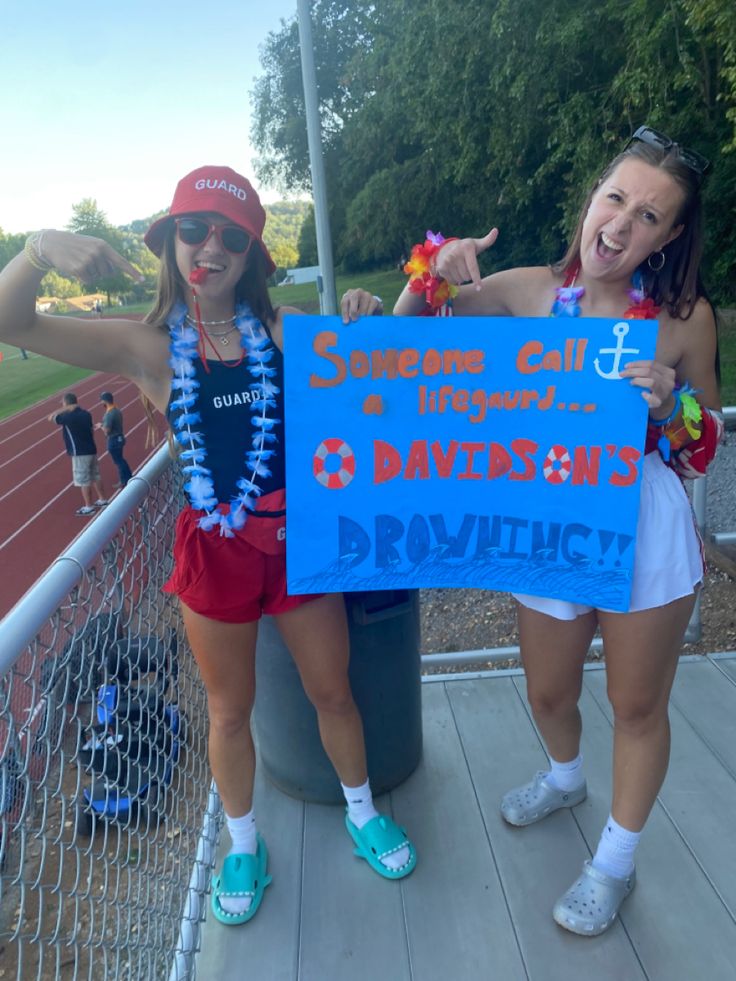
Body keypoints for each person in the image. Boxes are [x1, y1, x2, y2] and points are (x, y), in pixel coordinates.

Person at [0, 165, 415, 927]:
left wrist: (364, 310)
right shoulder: (148, 347)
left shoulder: (289, 330)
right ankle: (244, 843)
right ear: (172, 243)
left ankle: (361, 812)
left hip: (298, 538)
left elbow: (384, 358)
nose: (210, 248)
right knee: (230, 711)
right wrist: (35, 251)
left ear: (253, 251)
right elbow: (10, 321)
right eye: (194, 230)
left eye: (230, 235)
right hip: (213, 549)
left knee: (333, 690)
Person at [346, 125, 722, 936]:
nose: (622, 224)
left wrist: (675, 404)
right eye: (616, 197)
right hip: (550, 516)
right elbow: (399, 347)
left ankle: (614, 861)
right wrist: (433, 272)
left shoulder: (687, 319)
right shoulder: (528, 292)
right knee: (548, 690)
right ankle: (564, 775)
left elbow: (704, 445)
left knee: (636, 705)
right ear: (592, 198)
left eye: (651, 216)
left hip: (645, 524)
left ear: (672, 235)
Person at [49, 391, 109, 516]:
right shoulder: (86, 414)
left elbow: (51, 417)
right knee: (95, 476)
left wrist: (64, 409)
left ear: (67, 403)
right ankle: (103, 499)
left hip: (79, 453)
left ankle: (88, 507)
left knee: (84, 480)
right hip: (91, 449)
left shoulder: (67, 417)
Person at [98, 391, 133, 487]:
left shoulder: (109, 414)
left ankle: (123, 481)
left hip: (113, 439)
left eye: (102, 401)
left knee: (118, 461)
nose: (101, 403)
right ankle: (129, 476)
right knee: (121, 459)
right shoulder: (117, 410)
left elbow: (107, 430)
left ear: (105, 401)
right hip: (119, 438)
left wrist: (101, 426)